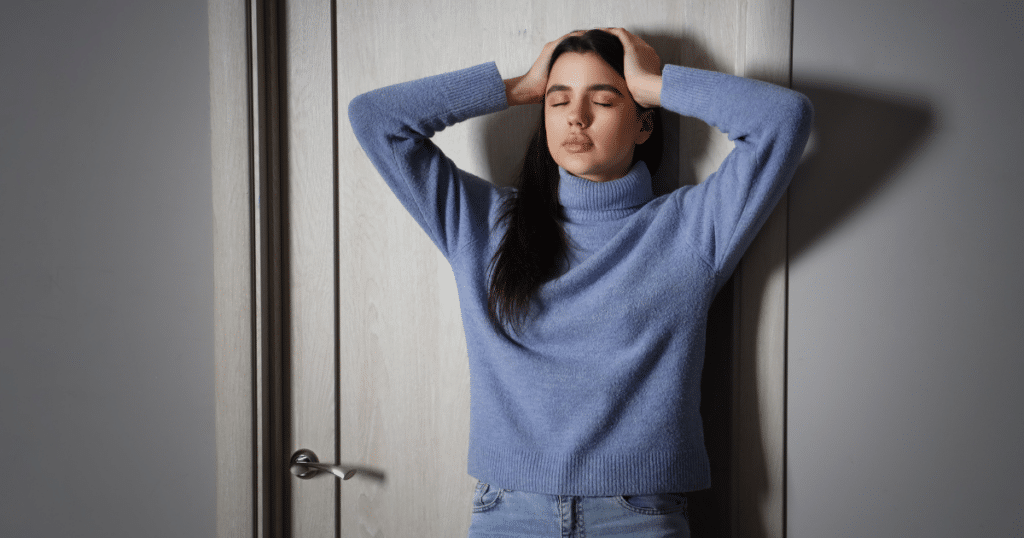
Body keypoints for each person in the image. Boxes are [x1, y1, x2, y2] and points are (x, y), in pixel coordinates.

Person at [349, 27, 812, 538]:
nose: (576, 116)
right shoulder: (483, 224)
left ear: (643, 124)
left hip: (638, 514)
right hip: (509, 512)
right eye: (558, 100)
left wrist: (654, 84)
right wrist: (519, 86)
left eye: (605, 100)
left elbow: (783, 120)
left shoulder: (689, 229)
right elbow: (375, 118)